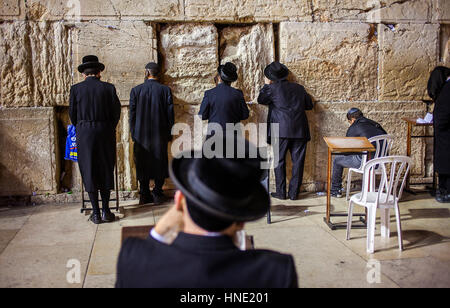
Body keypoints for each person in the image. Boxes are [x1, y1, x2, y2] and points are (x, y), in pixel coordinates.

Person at [116, 144, 298, 288]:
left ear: (179, 202)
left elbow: (146, 257)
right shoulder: (276, 272)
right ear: (241, 221)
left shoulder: (134, 259)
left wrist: (157, 233)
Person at [69, 55, 121, 224]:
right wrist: (107, 126)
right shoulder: (109, 88)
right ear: (99, 72)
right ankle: (107, 211)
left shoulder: (76, 89)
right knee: (106, 167)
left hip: (84, 132)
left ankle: (96, 213)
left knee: (89, 168)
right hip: (105, 130)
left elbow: (73, 115)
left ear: (84, 74)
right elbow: (116, 113)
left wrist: (83, 126)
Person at [258, 61, 313, 200]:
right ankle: (294, 194)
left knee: (279, 161)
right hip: (300, 130)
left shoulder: (271, 88)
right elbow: (309, 105)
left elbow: (261, 99)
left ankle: (281, 193)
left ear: (271, 77)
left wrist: (266, 85)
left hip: (280, 131)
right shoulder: (299, 88)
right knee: (298, 162)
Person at [129, 62, 175, 205]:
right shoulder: (165, 90)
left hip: (141, 135)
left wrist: (133, 133)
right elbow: (170, 115)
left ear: (146, 72)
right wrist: (169, 133)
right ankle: (157, 192)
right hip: (159, 134)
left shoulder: (136, 91)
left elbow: (132, 115)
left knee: (141, 162)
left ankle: (144, 193)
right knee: (160, 162)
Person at [330, 108, 387, 198]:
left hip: (367, 163)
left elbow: (347, 149)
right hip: (381, 162)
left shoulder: (354, 127)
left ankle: (335, 191)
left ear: (352, 120)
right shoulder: (375, 124)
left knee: (337, 160)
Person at [198, 62, 249, 138]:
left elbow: (202, 115)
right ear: (231, 80)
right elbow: (245, 115)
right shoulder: (238, 94)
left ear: (219, 78)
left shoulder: (209, 94)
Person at [428, 66, 450, 203]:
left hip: (446, 135)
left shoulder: (447, 89)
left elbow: (444, 114)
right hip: (445, 134)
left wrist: (438, 124)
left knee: (445, 163)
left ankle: (446, 191)